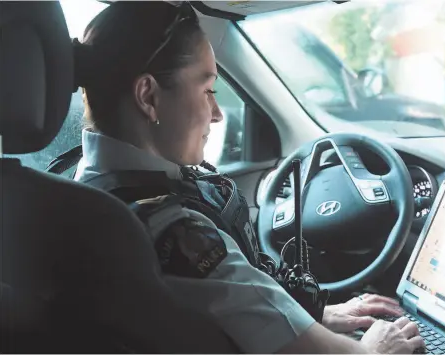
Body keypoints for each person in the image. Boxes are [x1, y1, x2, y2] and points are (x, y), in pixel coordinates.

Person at [71, 2, 424, 353]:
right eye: (207, 90)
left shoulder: (80, 190)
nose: (217, 113)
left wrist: (318, 316)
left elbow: (235, 310)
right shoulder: (174, 230)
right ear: (148, 96)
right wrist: (378, 347)